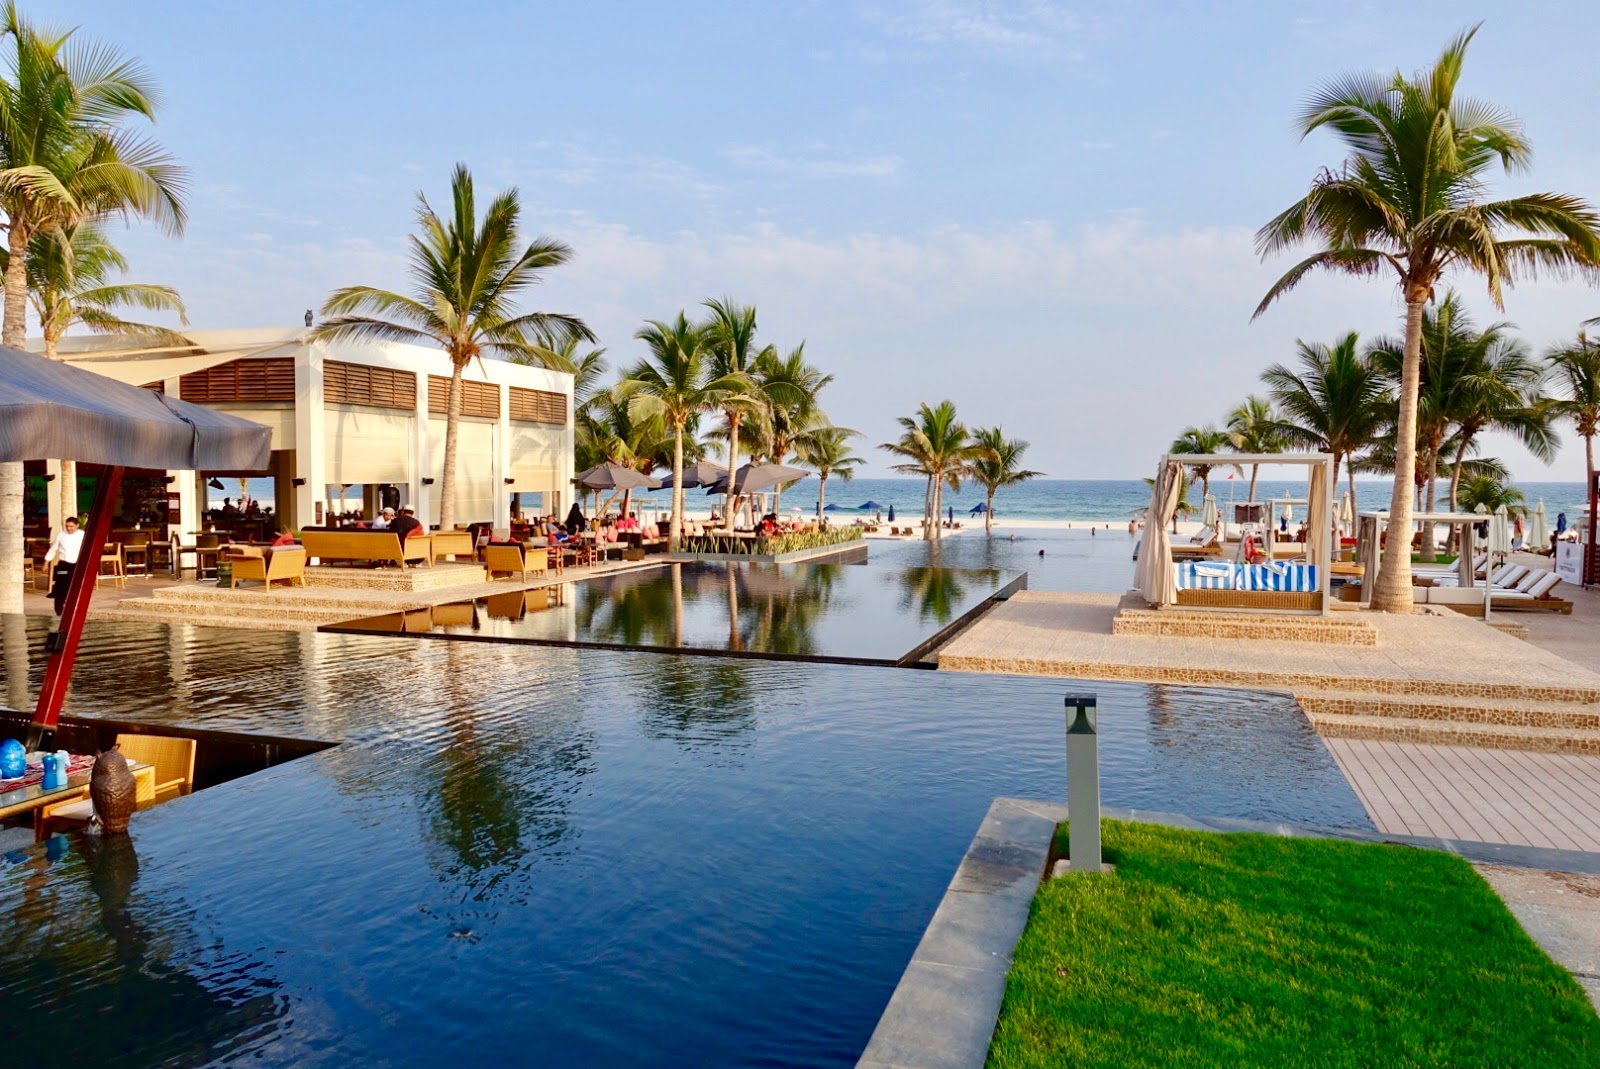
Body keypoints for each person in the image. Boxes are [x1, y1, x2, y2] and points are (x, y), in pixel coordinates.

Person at [44, 515, 85, 615]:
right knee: (60, 585)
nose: (69, 528)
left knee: (73, 586)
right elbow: (53, 549)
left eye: (71, 526)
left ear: (77, 525)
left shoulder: (82, 534)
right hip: (63, 564)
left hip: (76, 565)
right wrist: (46, 563)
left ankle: (72, 608)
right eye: (67, 526)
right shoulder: (61, 535)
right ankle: (59, 610)